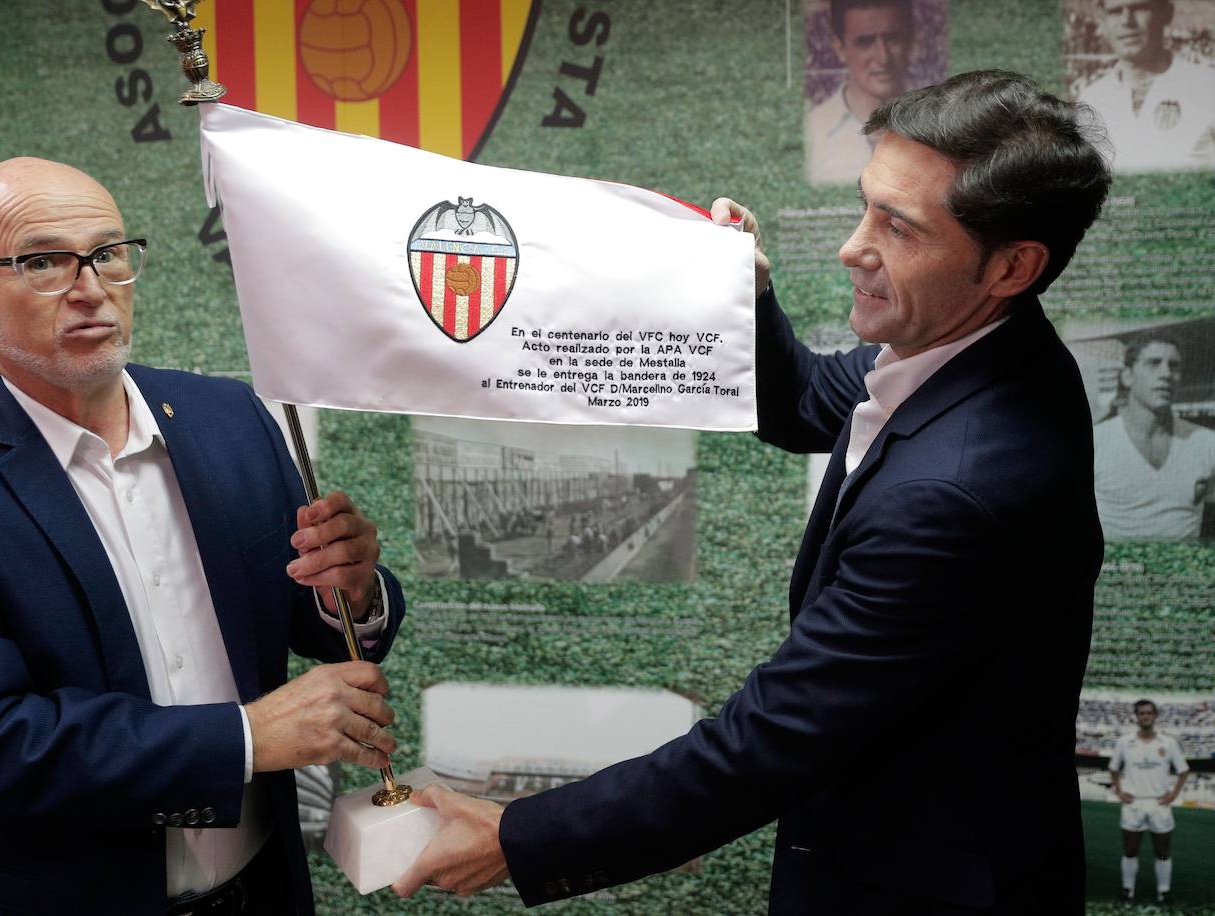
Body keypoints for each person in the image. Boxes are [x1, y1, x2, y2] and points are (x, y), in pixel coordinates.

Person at [393, 69, 1111, 914]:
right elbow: (808, 401)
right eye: (865, 205)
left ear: (1012, 265)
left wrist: (517, 837)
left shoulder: (960, 489)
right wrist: (752, 291)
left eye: (899, 226)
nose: (854, 246)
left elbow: (768, 741)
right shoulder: (975, 348)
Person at [0, 157, 407, 915]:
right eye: (44, 262)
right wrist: (244, 738)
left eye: (108, 253)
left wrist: (356, 592)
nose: (90, 287)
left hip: (258, 892)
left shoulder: (231, 419)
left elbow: (314, 620)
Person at [1094, 337, 1215, 540]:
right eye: (1153, 363)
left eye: (1174, 366)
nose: (1166, 374)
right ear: (1127, 377)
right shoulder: (1094, 442)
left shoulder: (1206, 443)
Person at [1075, 0, 1215, 172]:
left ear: (1166, 13)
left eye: (1139, 8)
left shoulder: (1208, 87)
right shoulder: (1091, 99)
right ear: (1103, 20)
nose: (1127, 21)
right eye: (1115, 11)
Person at [805, 0, 916, 184]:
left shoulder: (940, 124)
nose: (883, 57)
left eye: (893, 38)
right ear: (839, 48)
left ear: (911, 41)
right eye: (865, 42)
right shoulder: (813, 130)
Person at [1109, 700, 1189, 904]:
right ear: (1136, 717)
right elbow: (1113, 768)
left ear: (1155, 716)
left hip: (1159, 804)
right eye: (1141, 713)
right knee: (1130, 850)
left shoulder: (1168, 743)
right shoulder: (1124, 742)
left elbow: (1183, 770)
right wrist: (1119, 791)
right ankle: (1128, 890)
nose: (1145, 716)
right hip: (1133, 804)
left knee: (1162, 852)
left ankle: (1164, 891)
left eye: (1149, 713)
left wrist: (1173, 794)